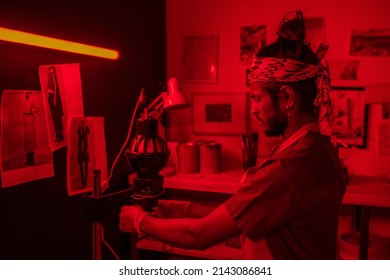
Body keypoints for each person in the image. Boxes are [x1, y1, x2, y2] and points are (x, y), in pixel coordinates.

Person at [119, 11, 347, 259]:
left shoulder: (290, 166)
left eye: (258, 98)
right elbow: (247, 213)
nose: (253, 109)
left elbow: (200, 235)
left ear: (287, 97)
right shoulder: (318, 149)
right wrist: (184, 209)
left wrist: (140, 221)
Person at [47, 66, 64, 143]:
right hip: (50, 97)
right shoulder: (49, 76)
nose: (51, 72)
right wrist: (48, 96)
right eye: (50, 71)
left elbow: (56, 88)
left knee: (56, 117)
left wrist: (54, 98)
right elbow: (48, 88)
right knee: (54, 117)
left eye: (52, 71)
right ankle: (57, 135)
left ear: (54, 71)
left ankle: (60, 135)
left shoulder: (53, 76)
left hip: (54, 97)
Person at [23, 92, 39, 166]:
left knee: (31, 140)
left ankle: (31, 159)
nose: (26, 93)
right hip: (25, 119)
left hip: (30, 118)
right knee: (27, 141)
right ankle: (28, 158)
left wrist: (31, 110)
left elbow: (37, 109)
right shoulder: (23, 99)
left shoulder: (32, 98)